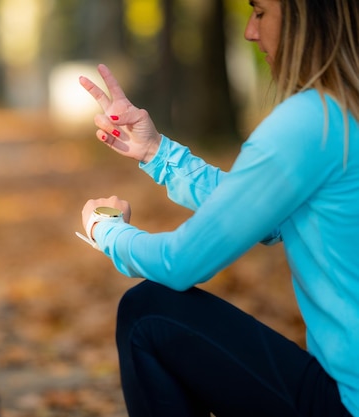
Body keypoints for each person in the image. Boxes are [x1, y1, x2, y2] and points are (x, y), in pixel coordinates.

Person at [76, 0, 359, 416]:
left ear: (305, 14)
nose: (249, 30)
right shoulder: (345, 112)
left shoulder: (309, 122)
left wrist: (107, 232)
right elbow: (267, 215)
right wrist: (157, 153)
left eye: (260, 12)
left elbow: (181, 262)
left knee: (147, 314)